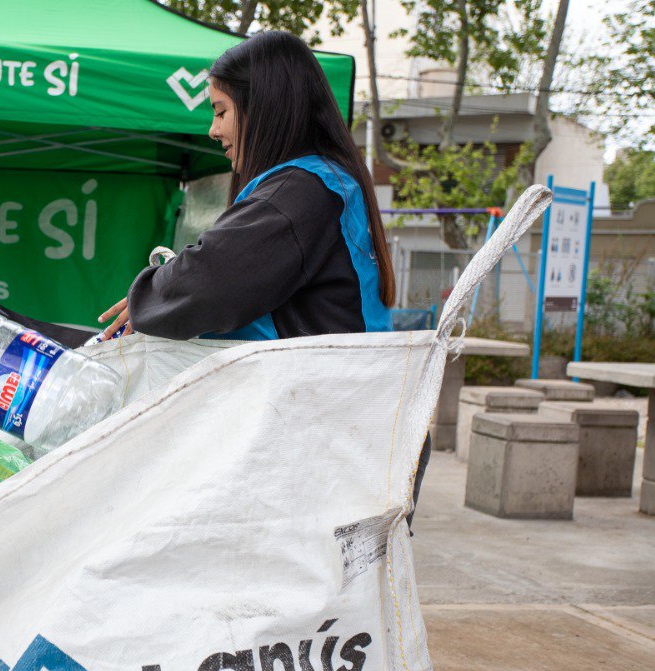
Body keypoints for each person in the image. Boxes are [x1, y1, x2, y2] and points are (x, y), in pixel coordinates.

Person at [97, 31, 430, 515]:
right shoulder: (326, 182)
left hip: (323, 439)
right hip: (346, 429)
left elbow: (206, 283)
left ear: (265, 109)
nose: (213, 130)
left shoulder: (299, 193)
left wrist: (152, 293)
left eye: (220, 110)